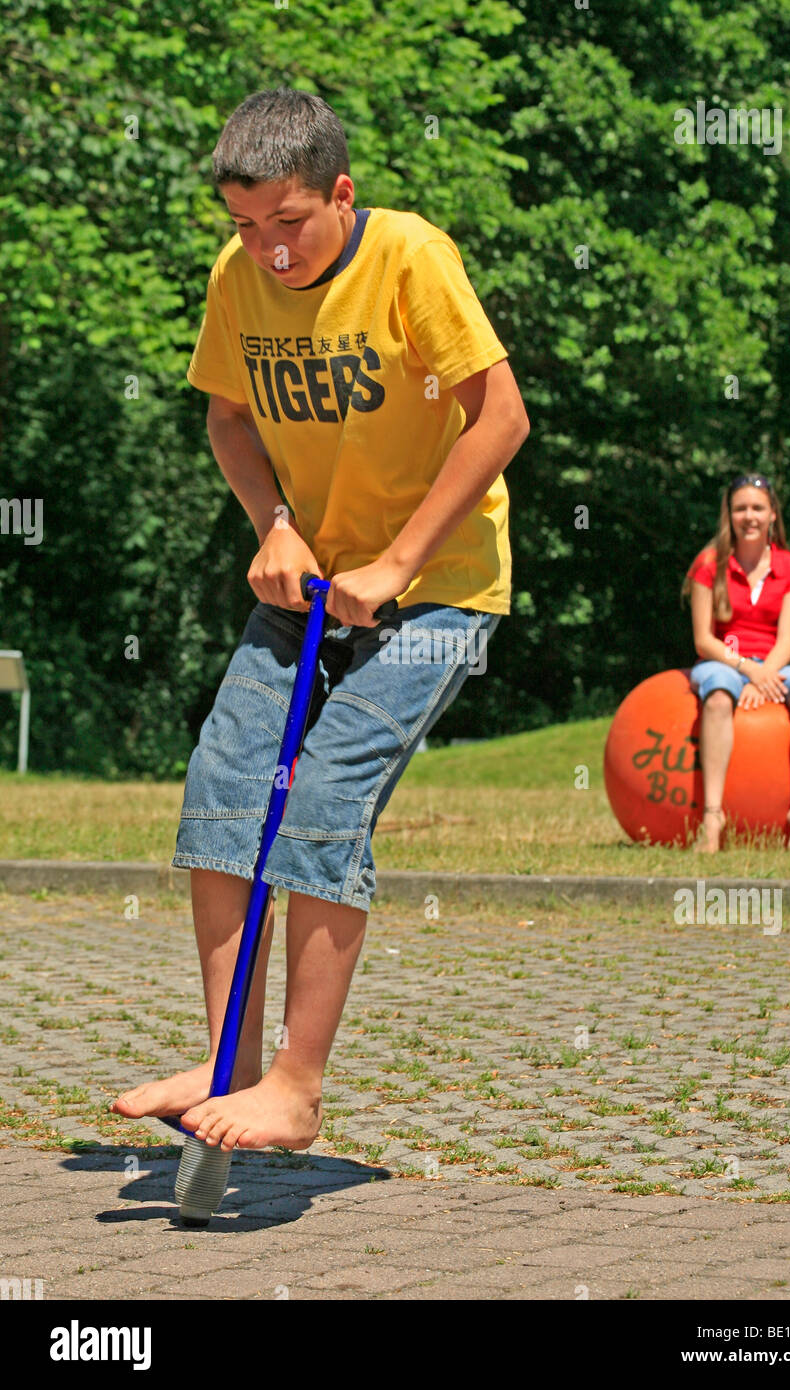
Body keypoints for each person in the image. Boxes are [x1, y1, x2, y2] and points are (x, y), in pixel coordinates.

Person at [112, 88, 529, 1152]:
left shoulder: (408, 258)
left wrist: (396, 562)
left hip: (436, 588)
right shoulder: (236, 278)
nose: (267, 250)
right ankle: (226, 1069)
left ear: (339, 194)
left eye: (287, 223)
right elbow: (227, 418)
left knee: (323, 799)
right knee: (223, 781)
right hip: (309, 584)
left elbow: (501, 417)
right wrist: (276, 525)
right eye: (244, 226)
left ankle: (294, 1090)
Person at [683, 473, 790, 854]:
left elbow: (788, 641)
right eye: (740, 508)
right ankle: (713, 818)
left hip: (773, 663)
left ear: (773, 515)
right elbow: (703, 639)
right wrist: (747, 669)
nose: (749, 516)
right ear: (729, 515)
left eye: (758, 508)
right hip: (721, 660)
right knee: (717, 694)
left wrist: (764, 673)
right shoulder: (708, 564)